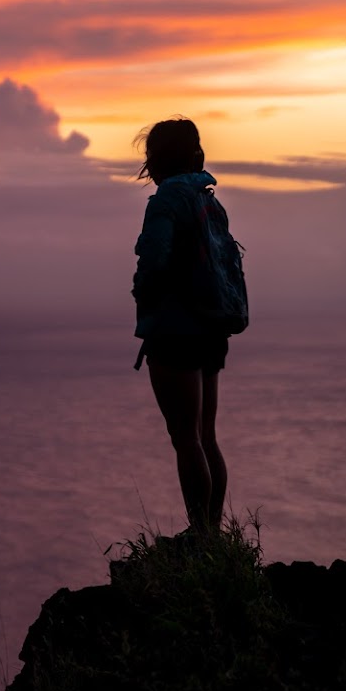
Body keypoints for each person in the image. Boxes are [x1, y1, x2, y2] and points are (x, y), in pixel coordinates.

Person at [131, 117, 246, 535]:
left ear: (154, 160)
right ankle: (211, 532)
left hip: (175, 332)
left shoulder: (165, 202)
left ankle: (201, 536)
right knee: (206, 435)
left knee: (185, 437)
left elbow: (155, 260)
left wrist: (141, 292)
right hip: (213, 328)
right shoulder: (208, 200)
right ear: (196, 155)